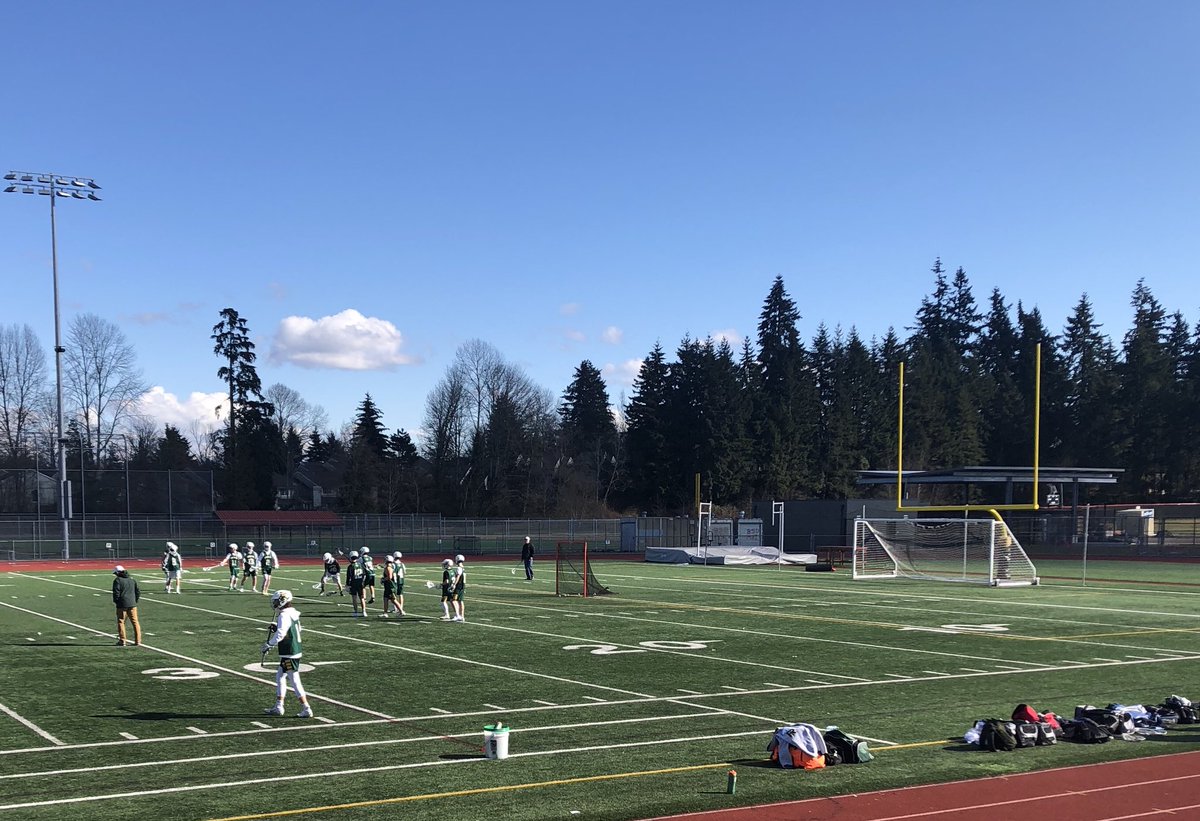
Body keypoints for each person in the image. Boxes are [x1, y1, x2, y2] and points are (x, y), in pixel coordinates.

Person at [260, 590, 314, 718]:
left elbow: (281, 634)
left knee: (294, 679)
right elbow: (294, 629)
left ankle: (306, 708)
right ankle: (279, 705)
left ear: (283, 600)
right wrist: (276, 626)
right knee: (280, 676)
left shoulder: (284, 615)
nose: (275, 603)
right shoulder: (292, 613)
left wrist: (269, 644)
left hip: (289, 652)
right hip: (292, 650)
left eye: (277, 601)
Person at [112, 565, 142, 646]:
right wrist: (135, 601)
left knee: (121, 622)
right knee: (135, 622)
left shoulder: (117, 580)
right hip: (132, 604)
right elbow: (138, 592)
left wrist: (117, 602)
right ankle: (138, 641)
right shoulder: (132, 580)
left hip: (122, 604)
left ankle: (122, 640)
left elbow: (116, 593)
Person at [346, 550, 367, 616]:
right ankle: (364, 611)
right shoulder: (361, 565)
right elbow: (364, 574)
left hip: (354, 583)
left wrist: (347, 585)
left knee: (354, 598)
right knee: (362, 598)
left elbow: (349, 577)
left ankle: (356, 612)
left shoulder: (350, 567)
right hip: (360, 583)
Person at [451, 553, 466, 623]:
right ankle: (462, 616)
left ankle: (458, 615)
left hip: (458, 586)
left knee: (453, 600)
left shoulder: (459, 568)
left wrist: (454, 584)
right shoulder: (463, 568)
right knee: (460, 601)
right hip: (463, 586)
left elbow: (458, 576)